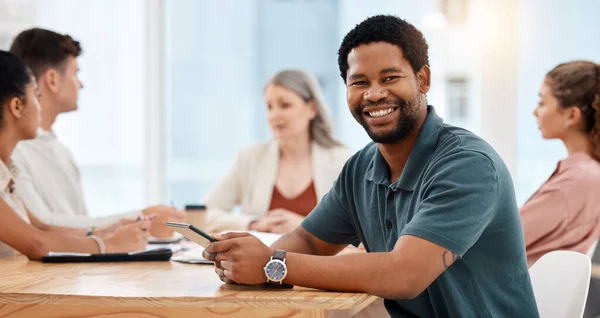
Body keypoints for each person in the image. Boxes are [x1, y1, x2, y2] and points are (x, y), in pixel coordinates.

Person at [202, 15, 539, 317]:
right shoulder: (361, 166)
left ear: (423, 80)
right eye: (360, 82)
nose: (374, 94)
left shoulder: (468, 165)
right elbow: (308, 241)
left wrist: (273, 265)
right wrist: (244, 259)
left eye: (390, 78)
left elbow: (404, 275)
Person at [9, 28, 183, 237]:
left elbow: (83, 225)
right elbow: (40, 224)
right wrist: (139, 218)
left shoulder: (60, 151)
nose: (81, 84)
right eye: (75, 73)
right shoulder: (13, 149)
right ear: (52, 80)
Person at [0, 50, 149, 259]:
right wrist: (108, 245)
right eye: (36, 95)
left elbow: (42, 227)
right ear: (17, 106)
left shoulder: (7, 172)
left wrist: (107, 231)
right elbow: (35, 242)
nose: (39, 106)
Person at [203, 69, 351, 234]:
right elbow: (203, 214)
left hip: (315, 259)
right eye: (269, 107)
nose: (274, 115)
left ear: (312, 109)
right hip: (259, 259)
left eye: (285, 105)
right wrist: (254, 223)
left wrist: (306, 227)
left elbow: (358, 231)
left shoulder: (343, 161)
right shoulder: (250, 158)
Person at [521, 61, 600, 267]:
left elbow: (499, 238)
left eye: (542, 102)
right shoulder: (587, 173)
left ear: (572, 115)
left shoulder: (577, 181)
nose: (535, 112)